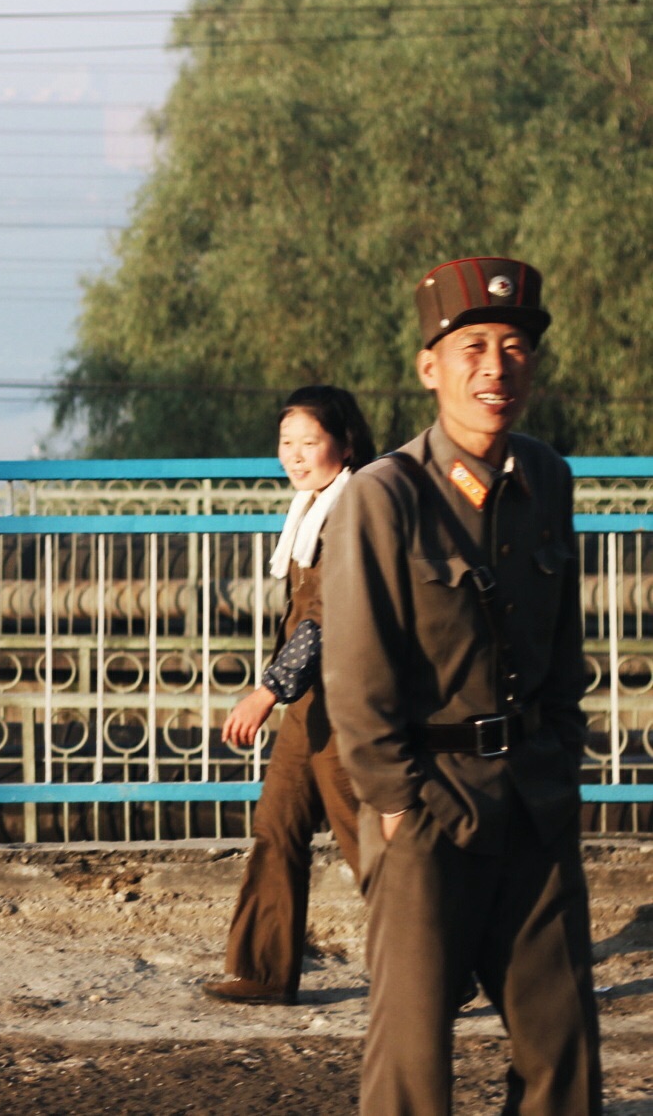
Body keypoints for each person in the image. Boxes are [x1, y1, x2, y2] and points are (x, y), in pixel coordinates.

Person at [322, 257, 602, 1114]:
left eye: (513, 346)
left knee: (565, 1054)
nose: (495, 367)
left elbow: (562, 646)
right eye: (472, 345)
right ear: (429, 366)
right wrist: (396, 805)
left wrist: (559, 757)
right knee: (411, 1064)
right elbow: (356, 671)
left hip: (532, 798)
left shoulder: (545, 478)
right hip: (428, 806)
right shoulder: (382, 495)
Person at [203, 386, 375, 1006]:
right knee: (276, 826)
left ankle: (441, 963)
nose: (295, 456)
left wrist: (266, 692)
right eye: (286, 443)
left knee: (366, 840)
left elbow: (328, 616)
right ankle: (263, 971)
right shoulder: (311, 507)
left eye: (310, 442)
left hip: (345, 704)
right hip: (310, 705)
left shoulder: (354, 507)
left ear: (345, 443)